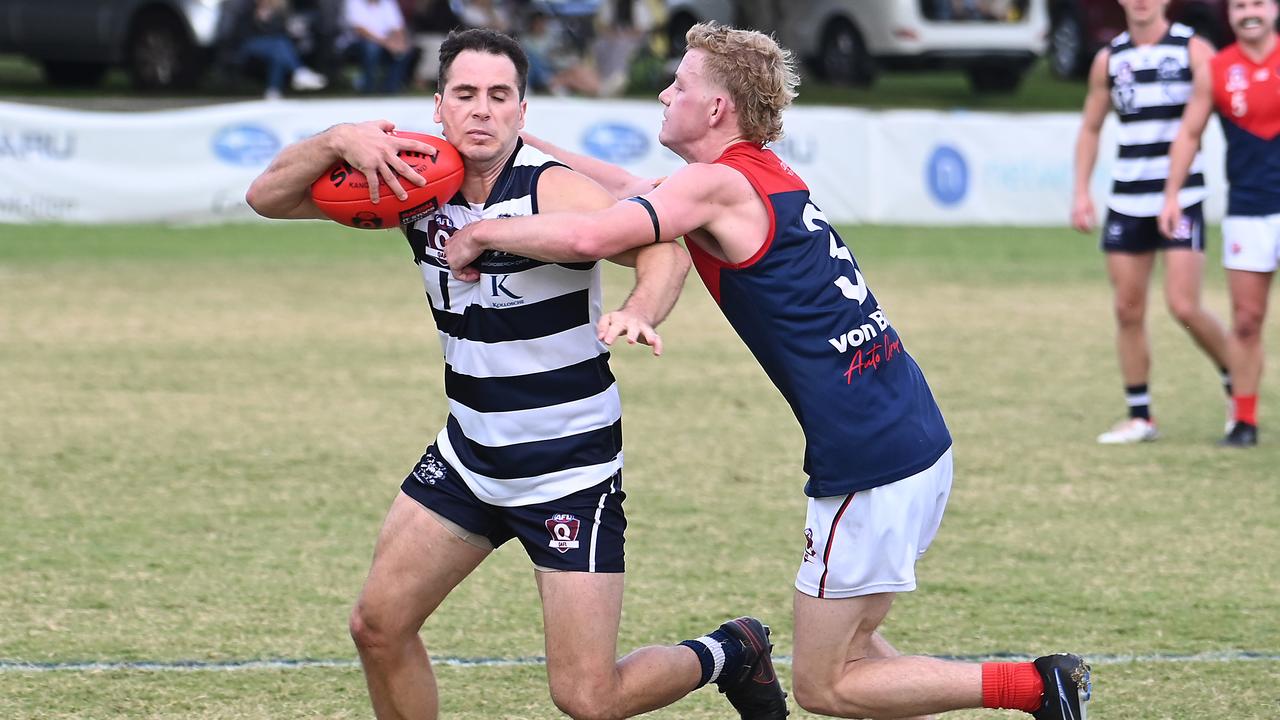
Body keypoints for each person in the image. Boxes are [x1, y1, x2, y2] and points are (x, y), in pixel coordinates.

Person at [445, 22, 1091, 720]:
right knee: (857, 653)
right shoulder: (750, 173)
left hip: (867, 457)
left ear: (716, 109)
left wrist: (480, 231)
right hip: (911, 433)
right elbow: (635, 190)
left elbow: (591, 235)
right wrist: (526, 148)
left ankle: (1036, 688)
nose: (665, 93)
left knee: (825, 684)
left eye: (681, 84)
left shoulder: (716, 186)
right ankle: (1037, 692)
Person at [244, 27, 787, 720]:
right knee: (377, 628)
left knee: (588, 698)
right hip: (469, 455)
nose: (482, 110)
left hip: (567, 465)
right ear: (437, 105)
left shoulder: (553, 190)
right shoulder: (413, 181)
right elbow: (267, 197)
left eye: (500, 96)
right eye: (465, 94)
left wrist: (638, 309)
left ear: (523, 112)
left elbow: (665, 253)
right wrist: (338, 138)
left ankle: (731, 651)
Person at [1071, 0, 1232, 445]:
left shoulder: (1193, 50)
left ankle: (1237, 381)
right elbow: (1090, 127)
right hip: (1127, 198)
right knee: (1127, 309)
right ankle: (1140, 415)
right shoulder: (1109, 59)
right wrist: (1082, 190)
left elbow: (1204, 123)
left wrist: (1174, 194)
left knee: (1183, 305)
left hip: (1182, 197)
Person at [1160, 0, 1280, 447]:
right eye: (1240, 5)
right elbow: (1189, 133)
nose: (1250, 12)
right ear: (1230, 14)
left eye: (1258, 3)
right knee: (1247, 321)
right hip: (1247, 210)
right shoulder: (1217, 68)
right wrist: (1171, 194)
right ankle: (1244, 420)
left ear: (1273, 9)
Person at [221, 0, 329, 99]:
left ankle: (273, 91)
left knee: (279, 50)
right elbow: (239, 33)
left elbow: (279, 33)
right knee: (279, 45)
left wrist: (269, 22)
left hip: (272, 47)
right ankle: (298, 72)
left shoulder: (278, 10)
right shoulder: (246, 6)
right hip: (246, 46)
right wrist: (258, 21)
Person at [342, 0, 414, 93]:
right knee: (371, 48)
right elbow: (360, 30)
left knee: (405, 49)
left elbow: (397, 27)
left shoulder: (388, 3)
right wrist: (387, 43)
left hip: (385, 43)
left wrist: (399, 42)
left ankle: (391, 87)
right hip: (357, 43)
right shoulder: (354, 2)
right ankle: (367, 86)